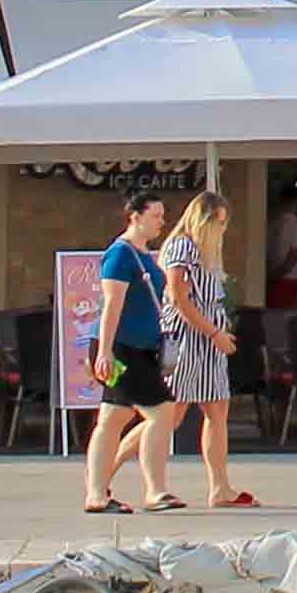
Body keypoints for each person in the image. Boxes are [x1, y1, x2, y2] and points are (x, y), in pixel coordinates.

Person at [81, 188, 180, 517]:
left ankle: (97, 493)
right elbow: (112, 305)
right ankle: (154, 490)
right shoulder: (120, 254)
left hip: (140, 348)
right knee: (162, 411)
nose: (161, 222)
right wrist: (104, 352)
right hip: (122, 349)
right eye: (155, 216)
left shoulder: (143, 254)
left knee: (113, 418)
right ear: (135, 217)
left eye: (162, 216)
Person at [161, 186, 254, 512]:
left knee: (217, 410)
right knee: (168, 416)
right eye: (218, 222)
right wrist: (214, 332)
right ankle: (110, 465)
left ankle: (220, 487)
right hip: (186, 340)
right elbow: (178, 298)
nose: (221, 229)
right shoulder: (182, 248)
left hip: (208, 341)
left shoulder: (206, 253)